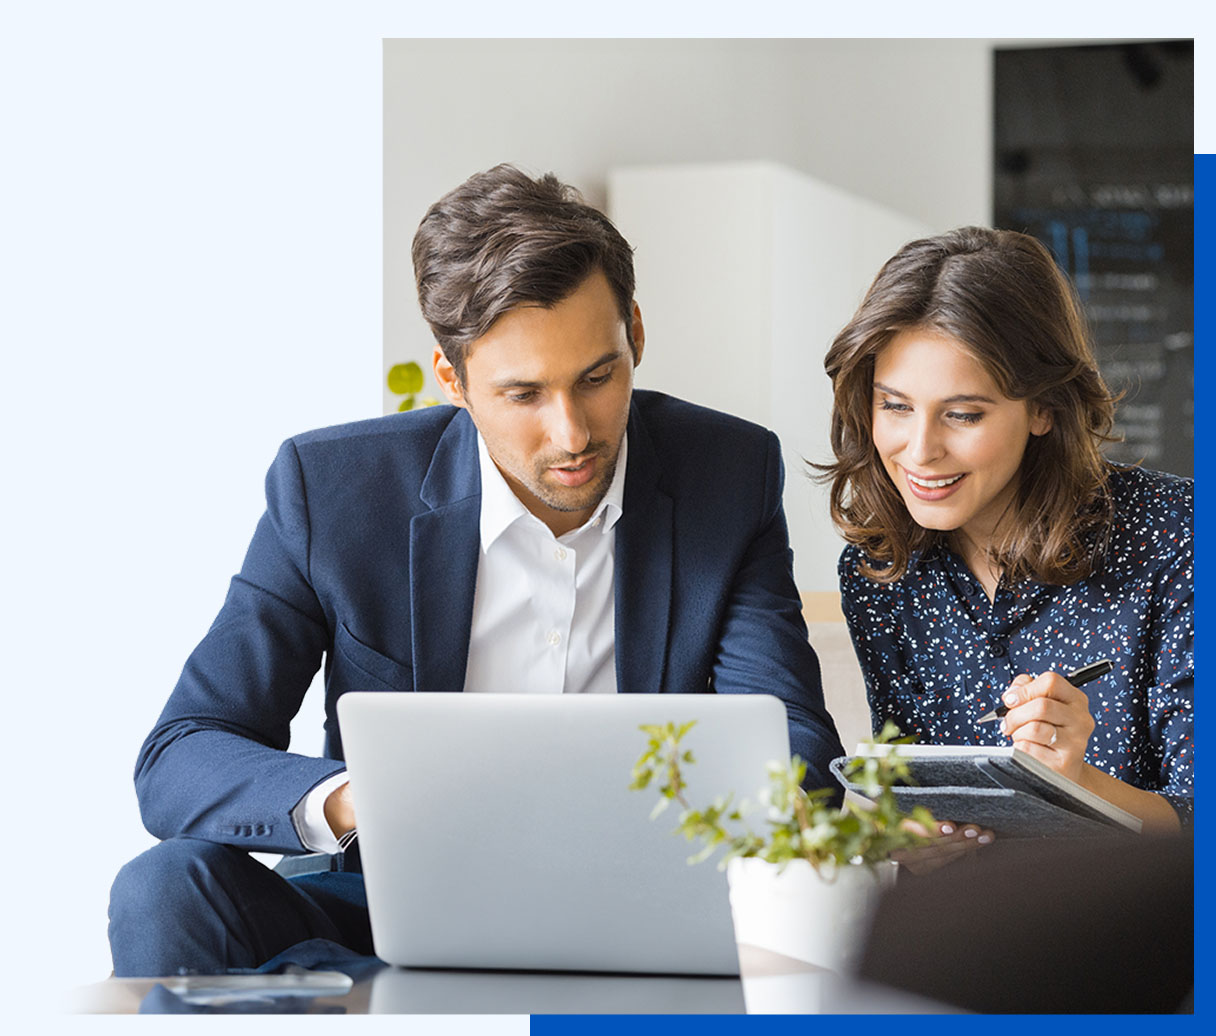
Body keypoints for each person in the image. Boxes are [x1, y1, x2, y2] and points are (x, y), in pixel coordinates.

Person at [107, 164, 844, 976]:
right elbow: (182, 753)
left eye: (597, 378)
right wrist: (361, 798)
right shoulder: (336, 491)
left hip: (645, 909)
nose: (572, 433)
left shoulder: (726, 473)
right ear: (452, 380)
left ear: (634, 329)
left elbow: (795, 750)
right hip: (391, 904)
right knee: (165, 888)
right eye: (524, 393)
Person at [820, 226, 1192, 852]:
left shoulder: (1178, 534)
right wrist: (913, 844)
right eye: (895, 406)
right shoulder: (877, 574)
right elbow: (910, 800)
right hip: (978, 936)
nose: (920, 451)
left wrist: (1076, 783)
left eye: (963, 414)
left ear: (1044, 409)